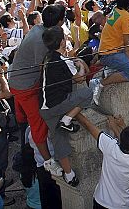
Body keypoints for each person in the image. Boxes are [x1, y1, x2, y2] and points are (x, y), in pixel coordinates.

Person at [7, 4, 66, 177]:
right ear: (59, 22)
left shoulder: (39, 30)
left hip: (20, 81)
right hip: (25, 87)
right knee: (38, 124)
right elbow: (44, 69)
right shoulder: (41, 40)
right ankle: (48, 162)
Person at [39, 26, 93, 187]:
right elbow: (79, 79)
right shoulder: (63, 60)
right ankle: (68, 119)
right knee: (87, 93)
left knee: (58, 139)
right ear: (62, 42)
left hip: (44, 109)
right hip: (58, 104)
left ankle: (69, 175)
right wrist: (81, 65)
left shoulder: (47, 59)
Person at [76, 113, 129, 209]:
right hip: (122, 205)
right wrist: (121, 127)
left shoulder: (109, 146)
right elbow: (127, 147)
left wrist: (114, 127)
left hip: (101, 201)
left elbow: (87, 124)